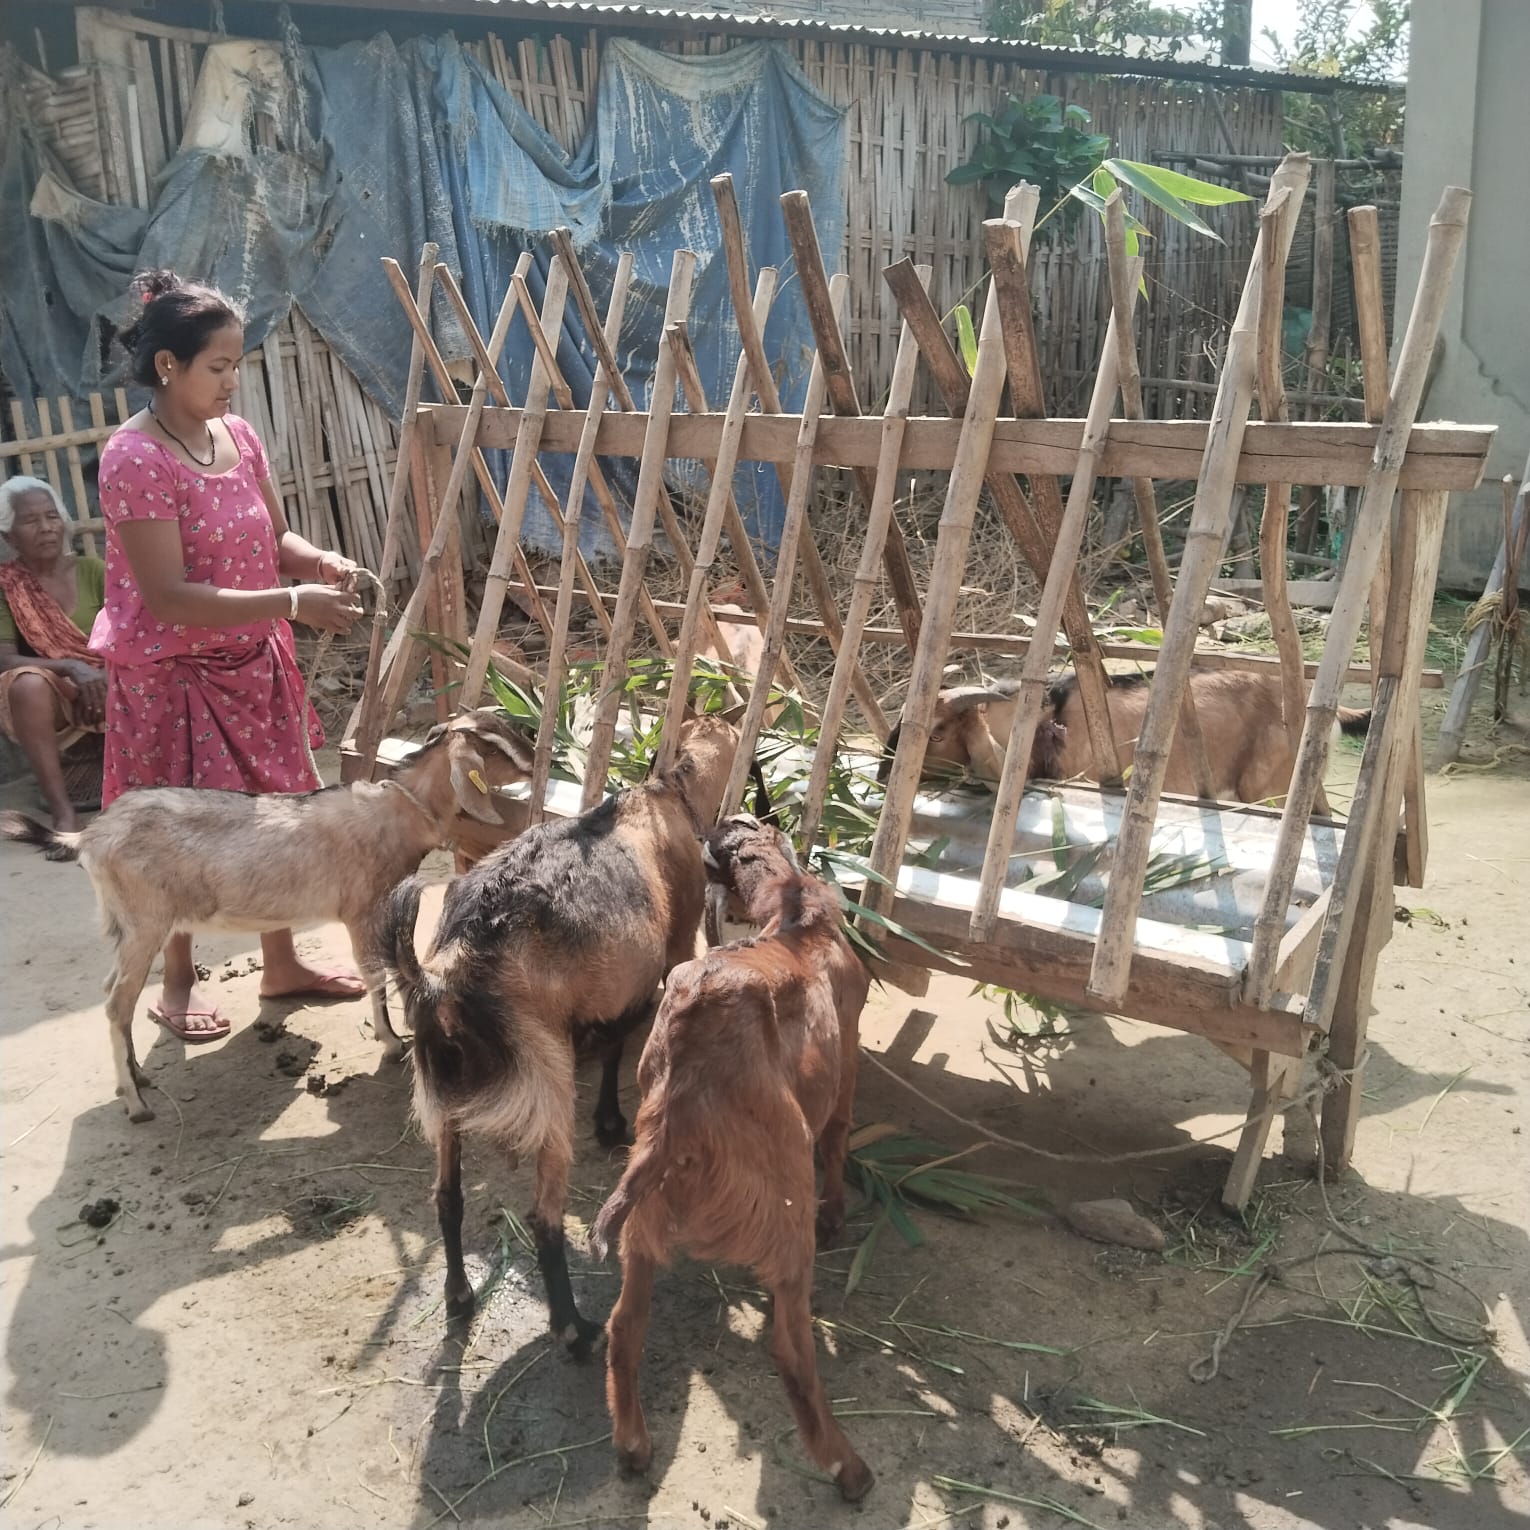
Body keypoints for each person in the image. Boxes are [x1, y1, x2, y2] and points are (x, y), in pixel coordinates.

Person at [91, 269, 366, 1042]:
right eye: (218, 366)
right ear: (168, 364)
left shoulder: (237, 437)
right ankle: (177, 984)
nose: (232, 381)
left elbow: (276, 539)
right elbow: (169, 597)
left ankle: (282, 964)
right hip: (172, 682)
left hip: (253, 665)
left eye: (236, 364)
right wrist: (292, 605)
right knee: (180, 835)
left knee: (272, 820)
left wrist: (318, 563)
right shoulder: (134, 459)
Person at [0, 476, 108, 839]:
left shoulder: (93, 570)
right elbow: (4, 661)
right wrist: (72, 668)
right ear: (8, 536)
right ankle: (65, 815)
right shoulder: (6, 587)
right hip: (60, 694)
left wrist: (102, 675)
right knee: (27, 684)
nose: (46, 527)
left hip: (114, 680)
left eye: (51, 516)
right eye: (31, 521)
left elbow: (130, 635)